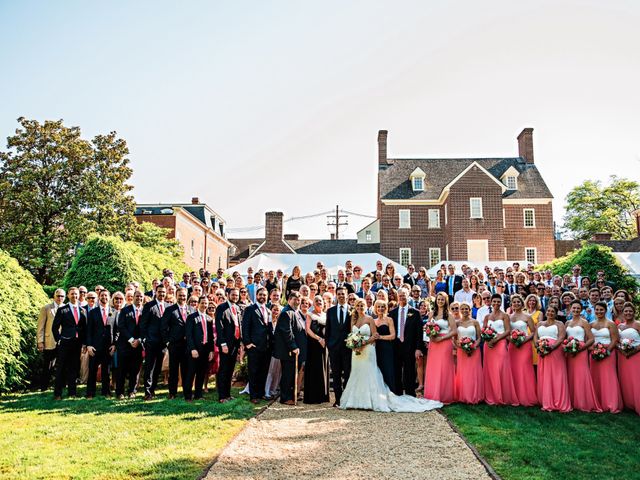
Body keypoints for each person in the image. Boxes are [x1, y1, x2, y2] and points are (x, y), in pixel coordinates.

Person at [339, 299, 442, 412]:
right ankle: (356, 400)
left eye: (362, 305)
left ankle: (373, 400)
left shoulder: (371, 319)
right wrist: (353, 343)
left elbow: (375, 336)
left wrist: (363, 343)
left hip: (371, 349)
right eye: (357, 305)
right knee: (358, 373)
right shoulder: (354, 319)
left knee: (372, 373)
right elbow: (351, 335)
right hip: (358, 352)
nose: (359, 307)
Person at [565, 301, 601, 412]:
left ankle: (584, 402)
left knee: (581, 375)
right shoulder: (567, 323)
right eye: (574, 308)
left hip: (581, 350)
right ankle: (572, 400)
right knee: (570, 375)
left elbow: (591, 339)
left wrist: (581, 348)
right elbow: (565, 337)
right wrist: (568, 347)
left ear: (581, 310)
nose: (575, 310)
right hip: (570, 351)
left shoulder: (584, 322)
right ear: (570, 309)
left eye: (578, 308)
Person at [483, 294, 519, 406]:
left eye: (498, 302)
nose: (496, 304)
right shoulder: (487, 316)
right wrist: (488, 340)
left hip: (501, 342)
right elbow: (484, 330)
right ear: (491, 302)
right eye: (494, 301)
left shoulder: (505, 316)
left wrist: (496, 339)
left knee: (501, 368)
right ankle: (491, 395)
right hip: (488, 345)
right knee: (490, 370)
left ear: (501, 302)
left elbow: (508, 331)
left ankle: (503, 395)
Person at [389, 288, 425, 397]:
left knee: (409, 370)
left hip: (410, 346)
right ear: (397, 297)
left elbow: (419, 332)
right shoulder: (392, 313)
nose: (402, 297)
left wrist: (418, 348)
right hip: (396, 345)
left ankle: (409, 393)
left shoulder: (415, 312)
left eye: (404, 295)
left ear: (408, 295)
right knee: (396, 370)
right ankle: (397, 393)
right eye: (400, 295)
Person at [534, 306, 571, 412]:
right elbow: (536, 337)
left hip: (555, 351)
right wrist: (538, 346)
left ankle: (559, 402)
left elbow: (561, 337)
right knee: (545, 375)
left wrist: (552, 347)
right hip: (542, 352)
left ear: (556, 313)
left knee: (557, 375)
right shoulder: (540, 324)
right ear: (546, 313)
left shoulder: (560, 324)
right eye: (549, 311)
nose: (550, 313)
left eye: (553, 311)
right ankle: (546, 401)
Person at [51, 287, 87, 399]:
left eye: (76, 294)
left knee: (74, 368)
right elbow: (54, 327)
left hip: (77, 344)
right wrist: (59, 339)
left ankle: (72, 392)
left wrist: (84, 343)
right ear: (68, 295)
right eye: (72, 294)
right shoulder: (63, 310)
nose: (74, 296)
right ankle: (58, 393)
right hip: (65, 342)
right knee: (61, 368)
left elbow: (84, 328)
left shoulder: (83, 310)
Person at [274, 292, 307, 405]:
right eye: (295, 299)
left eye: (299, 299)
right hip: (288, 351)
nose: (297, 301)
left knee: (293, 374)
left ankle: (292, 395)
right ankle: (285, 397)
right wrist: (293, 346)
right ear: (289, 300)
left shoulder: (296, 312)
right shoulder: (286, 313)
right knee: (288, 375)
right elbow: (287, 331)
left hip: (296, 351)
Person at [589, 301, 623, 413]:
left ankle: (611, 403)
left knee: (608, 377)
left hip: (608, 352)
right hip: (594, 353)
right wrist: (594, 351)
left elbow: (615, 340)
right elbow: (588, 340)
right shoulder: (591, 324)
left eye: (601, 310)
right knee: (595, 377)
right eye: (597, 310)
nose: (599, 311)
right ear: (594, 311)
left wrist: (606, 352)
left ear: (605, 310)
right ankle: (597, 402)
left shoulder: (611, 324)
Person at [242, 287, 273, 404]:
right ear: (256, 295)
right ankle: (253, 395)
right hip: (254, 346)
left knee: (263, 371)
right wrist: (247, 343)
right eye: (260, 295)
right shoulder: (250, 309)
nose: (262, 297)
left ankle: (260, 394)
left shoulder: (268, 310)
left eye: (264, 295)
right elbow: (245, 327)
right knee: (253, 371)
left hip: (266, 347)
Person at [424, 292, 457, 404]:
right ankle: (432, 393)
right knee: (434, 368)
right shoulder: (432, 314)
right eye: (438, 299)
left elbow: (454, 331)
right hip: (434, 343)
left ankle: (444, 394)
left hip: (445, 343)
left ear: (446, 301)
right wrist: (431, 337)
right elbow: (427, 328)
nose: (440, 301)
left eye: (442, 300)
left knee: (444, 368)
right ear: (436, 301)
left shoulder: (449, 315)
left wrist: (442, 339)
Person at [324, 287, 352, 407]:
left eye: (343, 294)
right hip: (334, 348)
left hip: (348, 348)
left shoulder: (353, 310)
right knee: (335, 375)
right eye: (339, 294)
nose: (341, 296)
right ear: (336, 295)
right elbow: (328, 331)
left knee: (348, 374)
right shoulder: (330, 311)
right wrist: (329, 345)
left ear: (347, 295)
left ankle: (346, 398)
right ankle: (338, 400)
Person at [85, 289, 116, 398]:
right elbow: (88, 330)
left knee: (106, 371)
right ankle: (90, 393)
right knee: (92, 370)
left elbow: (116, 331)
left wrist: (114, 344)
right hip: (95, 346)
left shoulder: (114, 312)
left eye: (106, 295)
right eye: (102, 295)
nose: (104, 297)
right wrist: (88, 345)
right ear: (99, 297)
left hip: (108, 346)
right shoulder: (93, 312)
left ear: (109, 297)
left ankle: (106, 392)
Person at [508, 295, 538, 406]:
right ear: (512, 304)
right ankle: (513, 395)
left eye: (518, 302)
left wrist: (524, 340)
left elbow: (534, 332)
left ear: (522, 303)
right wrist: (512, 340)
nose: (516, 304)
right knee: (513, 369)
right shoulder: (509, 317)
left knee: (524, 369)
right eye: (514, 302)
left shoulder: (527, 317)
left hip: (525, 345)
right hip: (513, 346)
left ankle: (527, 396)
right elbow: (507, 332)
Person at [215, 288, 242, 403]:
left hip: (235, 344)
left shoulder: (237, 308)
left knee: (230, 370)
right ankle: (222, 396)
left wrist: (240, 342)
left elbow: (238, 325)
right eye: (233, 295)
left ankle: (228, 394)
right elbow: (219, 326)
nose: (235, 297)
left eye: (237, 295)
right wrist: (223, 344)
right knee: (224, 370)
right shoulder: (221, 307)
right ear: (228, 295)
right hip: (226, 344)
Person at [162, 287, 190, 399]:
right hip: (174, 344)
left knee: (186, 370)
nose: (182, 297)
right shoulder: (170, 310)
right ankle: (172, 392)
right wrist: (167, 342)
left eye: (184, 295)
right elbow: (163, 327)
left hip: (187, 345)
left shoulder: (191, 309)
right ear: (176, 295)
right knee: (173, 370)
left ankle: (185, 391)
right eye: (180, 295)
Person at [184, 296, 214, 401]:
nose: (205, 305)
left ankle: (198, 395)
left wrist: (211, 350)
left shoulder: (209, 319)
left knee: (201, 373)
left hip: (205, 350)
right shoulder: (191, 317)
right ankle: (188, 395)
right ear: (198, 304)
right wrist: (192, 349)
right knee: (191, 373)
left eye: (206, 303)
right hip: (194, 350)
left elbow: (210, 337)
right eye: (203, 303)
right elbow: (189, 335)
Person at [140, 285, 167, 400]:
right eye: (159, 292)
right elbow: (143, 324)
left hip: (163, 343)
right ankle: (147, 391)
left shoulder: (168, 306)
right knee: (150, 367)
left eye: (163, 292)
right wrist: (145, 339)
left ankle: (153, 389)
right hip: (151, 341)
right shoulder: (149, 306)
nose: (161, 294)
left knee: (158, 368)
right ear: (155, 292)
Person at [116, 290, 144, 399]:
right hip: (125, 345)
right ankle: (120, 392)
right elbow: (121, 327)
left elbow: (146, 327)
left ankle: (132, 391)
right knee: (121, 370)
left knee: (135, 370)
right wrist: (131, 339)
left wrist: (139, 340)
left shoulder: (145, 311)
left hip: (138, 345)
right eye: (137, 296)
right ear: (133, 297)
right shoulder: (125, 310)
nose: (139, 298)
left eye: (141, 297)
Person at [454, 302, 484, 404]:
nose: (464, 311)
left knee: (474, 373)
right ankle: (463, 395)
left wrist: (474, 346)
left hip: (474, 350)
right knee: (463, 373)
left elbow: (479, 337)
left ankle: (475, 395)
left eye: (466, 309)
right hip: (461, 351)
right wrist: (459, 345)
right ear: (460, 311)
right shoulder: (457, 323)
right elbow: (454, 339)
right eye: (462, 309)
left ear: (470, 310)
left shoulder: (475, 322)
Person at [37, 288, 66, 391]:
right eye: (58, 296)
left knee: (62, 364)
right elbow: (41, 326)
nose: (60, 298)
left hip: (62, 341)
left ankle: (61, 385)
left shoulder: (66, 308)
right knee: (48, 365)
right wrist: (40, 341)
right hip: (49, 341)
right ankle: (44, 387)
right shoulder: (46, 308)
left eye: (62, 296)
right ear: (54, 296)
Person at [303, 295, 329, 404]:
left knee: (323, 368)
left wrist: (326, 340)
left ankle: (323, 396)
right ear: (313, 303)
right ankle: (313, 396)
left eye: (320, 301)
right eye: (316, 301)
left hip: (324, 346)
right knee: (314, 368)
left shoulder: (326, 315)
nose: (319, 302)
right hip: (313, 344)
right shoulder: (310, 315)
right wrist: (319, 339)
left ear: (324, 303)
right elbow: (307, 329)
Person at [618, 303, 640, 415]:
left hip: (636, 356)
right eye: (626, 311)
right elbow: (617, 341)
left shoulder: (638, 324)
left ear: (634, 312)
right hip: (623, 356)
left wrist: (633, 351)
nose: (628, 313)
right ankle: (629, 403)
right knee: (625, 379)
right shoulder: (620, 326)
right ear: (622, 313)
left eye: (630, 311)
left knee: (636, 380)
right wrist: (622, 351)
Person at [373, 300, 396, 390]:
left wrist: (380, 337)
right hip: (375, 349)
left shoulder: (389, 320)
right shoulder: (373, 320)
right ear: (375, 308)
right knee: (378, 371)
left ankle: (390, 392)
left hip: (387, 349)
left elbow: (393, 336)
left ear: (385, 308)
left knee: (388, 370)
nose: (380, 309)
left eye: (382, 307)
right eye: (378, 307)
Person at [264, 303, 283, 399]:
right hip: (270, 351)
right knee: (270, 371)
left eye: (277, 310)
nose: (275, 312)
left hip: (278, 350)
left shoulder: (280, 323)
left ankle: (273, 390)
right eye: (274, 310)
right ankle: (267, 391)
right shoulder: (268, 322)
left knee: (278, 371)